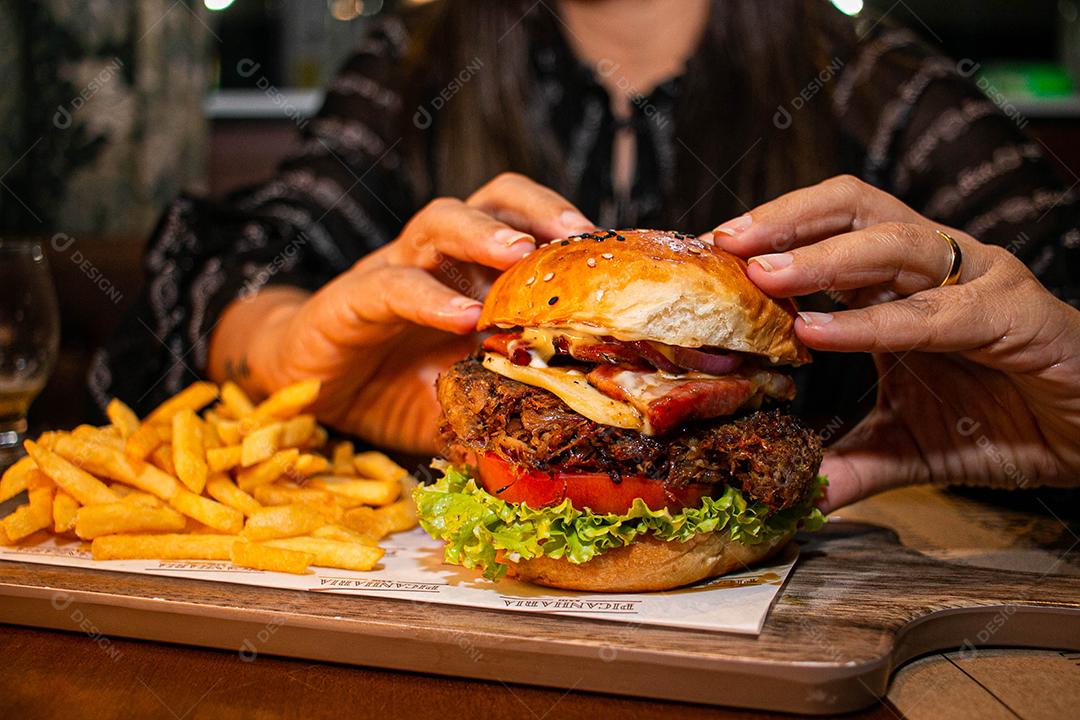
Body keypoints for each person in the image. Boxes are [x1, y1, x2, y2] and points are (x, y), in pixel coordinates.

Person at [93, 0, 1080, 512]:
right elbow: (240, 258)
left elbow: (1048, 280)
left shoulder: (874, 78)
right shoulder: (417, 60)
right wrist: (276, 344)